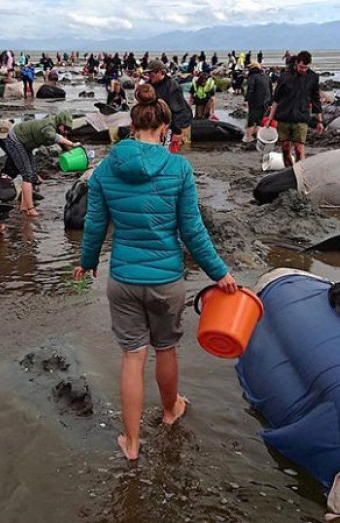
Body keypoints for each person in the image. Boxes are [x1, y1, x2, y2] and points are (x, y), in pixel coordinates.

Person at [72, 84, 237, 460]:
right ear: (164, 128)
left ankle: (131, 443)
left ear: (132, 127)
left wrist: (88, 261)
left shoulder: (105, 169)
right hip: (166, 280)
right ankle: (170, 410)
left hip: (124, 279)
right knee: (166, 348)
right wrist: (219, 273)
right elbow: (192, 231)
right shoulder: (178, 168)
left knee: (133, 357)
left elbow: (95, 224)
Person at [5, 112, 79, 217]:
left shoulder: (57, 129)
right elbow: (52, 136)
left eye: (68, 129)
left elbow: (63, 145)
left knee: (32, 175)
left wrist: (75, 154)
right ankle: (31, 209)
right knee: (27, 175)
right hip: (15, 140)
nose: (66, 131)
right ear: (60, 123)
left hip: (26, 144)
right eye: (65, 128)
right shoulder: (49, 125)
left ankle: (24, 207)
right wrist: (72, 143)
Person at [266, 50, 323, 167]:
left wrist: (319, 121)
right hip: (284, 117)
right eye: (301, 67)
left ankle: (301, 172)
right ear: (296, 63)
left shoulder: (313, 77)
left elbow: (316, 100)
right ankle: (290, 171)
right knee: (285, 148)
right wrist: (270, 119)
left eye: (306, 67)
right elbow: (276, 99)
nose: (303, 70)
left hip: (301, 117)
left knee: (299, 149)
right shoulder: (285, 76)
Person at [146, 59, 192, 152]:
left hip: (174, 124)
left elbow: (178, 110)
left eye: (151, 73)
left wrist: (177, 131)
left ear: (160, 72)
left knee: (169, 151)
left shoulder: (172, 86)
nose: (149, 76)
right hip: (156, 124)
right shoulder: (148, 85)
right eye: (148, 73)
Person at [243, 62, 271, 143]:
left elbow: (250, 90)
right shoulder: (266, 77)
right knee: (260, 121)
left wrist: (246, 100)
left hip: (255, 101)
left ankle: (249, 139)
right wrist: (270, 103)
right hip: (266, 101)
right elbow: (270, 90)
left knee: (251, 121)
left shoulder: (252, 77)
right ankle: (259, 138)